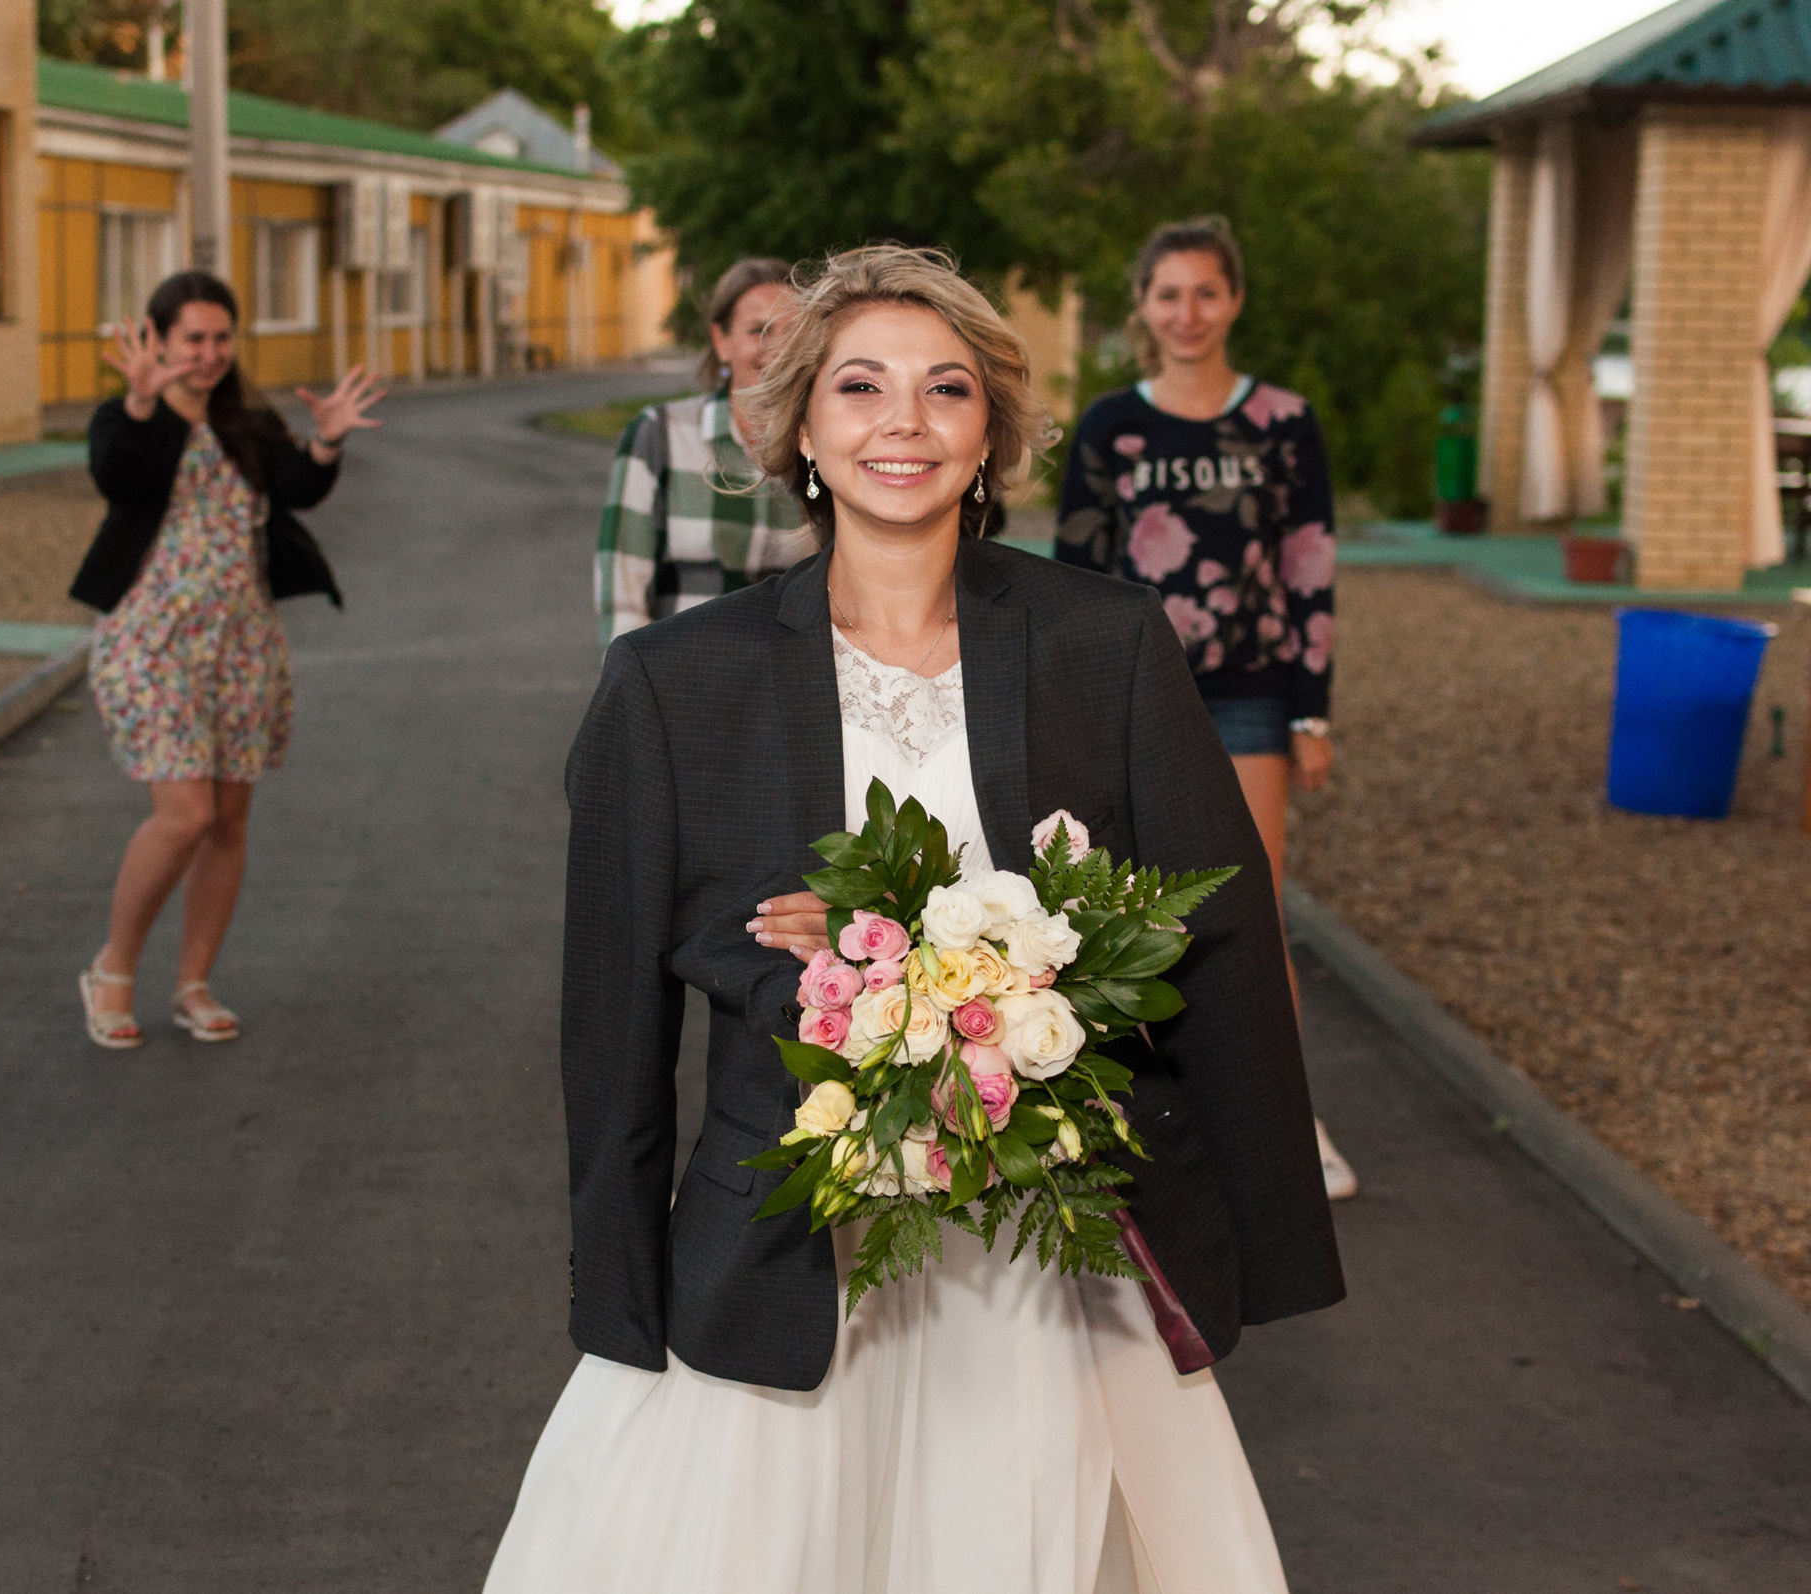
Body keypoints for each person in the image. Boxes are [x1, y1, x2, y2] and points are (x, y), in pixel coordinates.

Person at [486, 245, 1342, 1592]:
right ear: (798, 427)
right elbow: (611, 1016)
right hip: (785, 1244)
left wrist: (1264, 1234)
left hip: (1046, 1257)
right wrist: (619, 1283)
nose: (904, 422)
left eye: (946, 388)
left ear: (990, 430)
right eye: (861, 386)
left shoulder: (1104, 644)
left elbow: (1218, 941)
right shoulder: (673, 684)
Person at [1053, 217, 1357, 1202]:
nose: (1188, 313)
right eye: (1168, 294)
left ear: (1235, 301)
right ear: (1143, 305)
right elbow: (1077, 575)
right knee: (1136, 914)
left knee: (1251, 909)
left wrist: (1312, 710)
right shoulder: (1109, 427)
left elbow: (1310, 562)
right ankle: (1156, 1116)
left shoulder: (1280, 421)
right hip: (1138, 697)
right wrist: (1071, 710)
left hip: (1251, 693)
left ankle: (1286, 1119)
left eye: (1207, 292)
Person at [68, 270, 385, 1048]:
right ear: (157, 341)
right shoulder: (127, 418)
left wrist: (327, 439)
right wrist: (146, 401)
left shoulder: (244, 418)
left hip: (242, 641)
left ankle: (193, 983)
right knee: (185, 815)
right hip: (152, 642)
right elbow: (120, 476)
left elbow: (299, 487)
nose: (208, 355)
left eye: (220, 339)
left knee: (229, 822)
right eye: (192, 340)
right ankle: (112, 968)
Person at [594, 257, 814, 642]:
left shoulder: (830, 444)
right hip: (686, 678)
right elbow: (622, 591)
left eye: (795, 332)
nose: (778, 348)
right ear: (721, 341)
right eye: (759, 330)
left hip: (790, 684)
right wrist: (633, 690)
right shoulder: (660, 435)